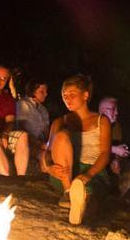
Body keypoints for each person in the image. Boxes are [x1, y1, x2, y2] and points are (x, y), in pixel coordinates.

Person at [41, 74, 111, 225]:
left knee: (89, 193)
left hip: (93, 171)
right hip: (66, 171)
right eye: (64, 95)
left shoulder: (102, 121)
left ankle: (81, 207)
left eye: (72, 95)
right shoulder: (60, 121)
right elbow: (46, 153)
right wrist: (49, 168)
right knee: (61, 136)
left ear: (85, 95)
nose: (67, 99)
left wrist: (88, 175)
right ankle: (68, 194)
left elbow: (105, 154)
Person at [98, 96, 130, 192]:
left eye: (117, 109)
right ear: (102, 111)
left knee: (124, 163)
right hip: (94, 161)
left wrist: (116, 159)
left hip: (107, 159)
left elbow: (117, 143)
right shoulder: (95, 124)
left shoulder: (115, 126)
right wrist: (115, 149)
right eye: (113, 109)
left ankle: (126, 196)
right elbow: (93, 146)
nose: (117, 113)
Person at [16, 78, 50, 151]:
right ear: (33, 91)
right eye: (42, 92)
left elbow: (46, 131)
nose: (46, 94)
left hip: (42, 144)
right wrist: (38, 144)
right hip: (28, 144)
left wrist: (48, 143)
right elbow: (21, 128)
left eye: (46, 91)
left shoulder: (43, 110)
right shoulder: (23, 104)